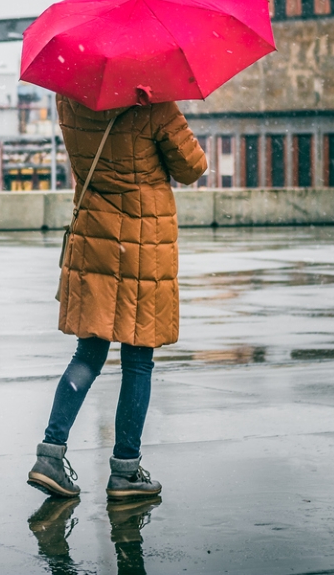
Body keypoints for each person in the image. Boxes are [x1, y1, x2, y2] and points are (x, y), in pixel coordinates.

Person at [28, 95, 206, 500]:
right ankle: (125, 470)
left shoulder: (69, 100)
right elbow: (192, 167)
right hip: (142, 244)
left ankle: (50, 455)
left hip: (95, 238)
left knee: (88, 351)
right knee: (138, 359)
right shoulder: (154, 106)